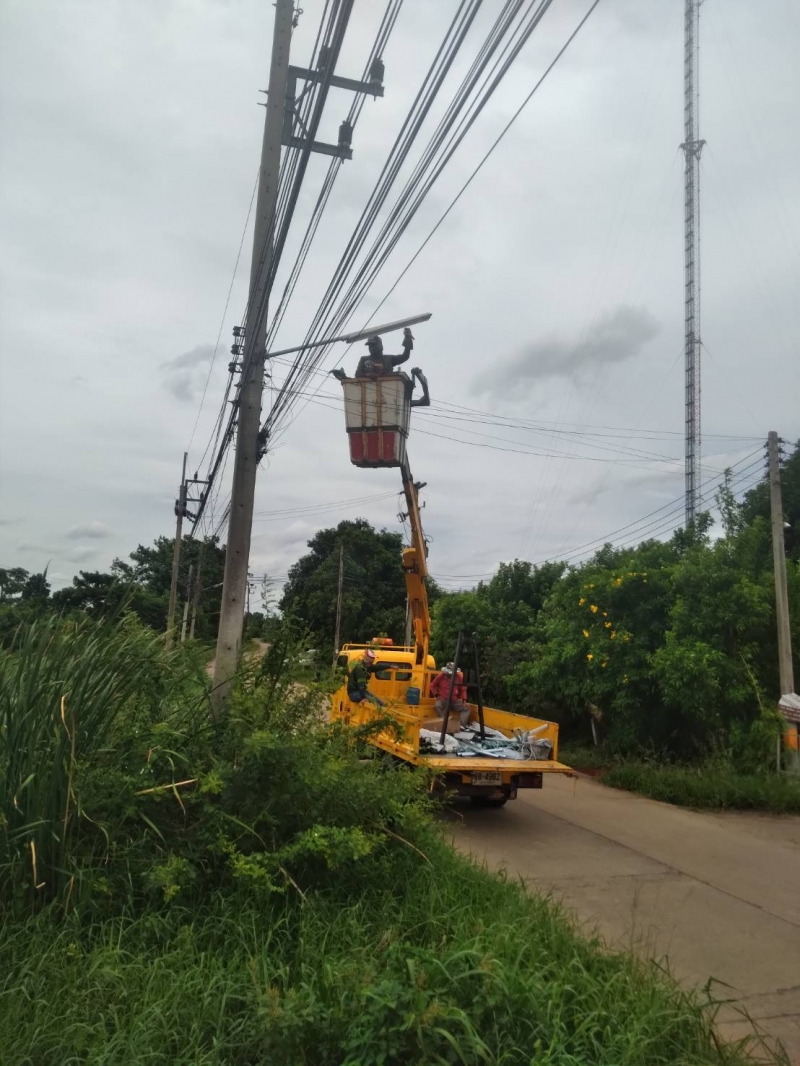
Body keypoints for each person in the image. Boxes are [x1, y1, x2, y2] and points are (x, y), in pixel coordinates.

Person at [429, 662, 470, 728]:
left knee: (467, 708)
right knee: (437, 706)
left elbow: (463, 689)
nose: (451, 675)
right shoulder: (441, 676)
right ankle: (444, 722)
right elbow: (432, 685)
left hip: (454, 700)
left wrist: (464, 700)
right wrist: (436, 695)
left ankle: (461, 725)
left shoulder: (459, 677)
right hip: (443, 699)